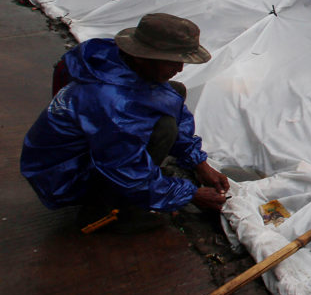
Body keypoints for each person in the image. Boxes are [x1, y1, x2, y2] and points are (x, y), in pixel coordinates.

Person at [21, 13, 229, 230]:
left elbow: (170, 102)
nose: (180, 69)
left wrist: (199, 163)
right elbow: (123, 165)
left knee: (173, 91)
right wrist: (189, 194)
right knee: (164, 128)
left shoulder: (121, 62)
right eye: (173, 62)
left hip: (91, 150)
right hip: (62, 174)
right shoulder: (111, 102)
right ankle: (101, 211)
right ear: (142, 56)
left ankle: (142, 188)